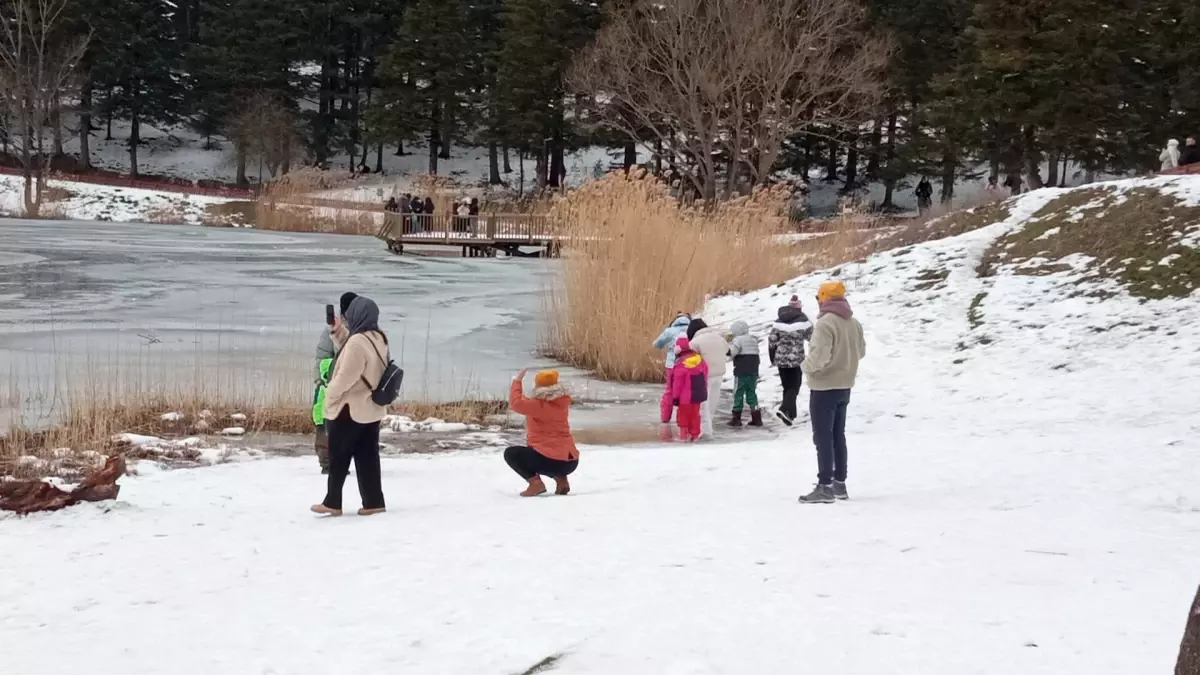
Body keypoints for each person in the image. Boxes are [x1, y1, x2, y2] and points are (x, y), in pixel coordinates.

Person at [311, 296, 390, 517]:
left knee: (339, 456)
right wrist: (337, 331)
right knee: (368, 458)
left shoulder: (357, 342)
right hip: (370, 409)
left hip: (349, 409)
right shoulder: (379, 337)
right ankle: (374, 502)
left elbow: (347, 375)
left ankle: (332, 502)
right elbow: (355, 347)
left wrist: (329, 394)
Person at [798, 281, 866, 505]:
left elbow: (819, 356)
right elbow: (861, 352)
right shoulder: (853, 323)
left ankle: (824, 486)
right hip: (845, 385)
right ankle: (839, 484)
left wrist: (805, 367)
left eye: (819, 298)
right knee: (838, 435)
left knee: (823, 437)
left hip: (824, 386)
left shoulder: (825, 323)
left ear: (824, 298)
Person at [504, 369, 579, 496]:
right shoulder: (561, 403)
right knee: (549, 453)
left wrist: (517, 381)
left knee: (512, 454)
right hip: (571, 462)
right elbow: (530, 404)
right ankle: (562, 481)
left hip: (552, 461)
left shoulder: (539, 405)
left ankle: (536, 484)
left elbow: (516, 404)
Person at [312, 293, 355, 474]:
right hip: (329, 383)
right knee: (324, 422)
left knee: (347, 426)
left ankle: (342, 461)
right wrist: (321, 381)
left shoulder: (362, 330)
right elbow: (322, 358)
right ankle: (327, 462)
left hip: (351, 387)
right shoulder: (332, 331)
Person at [768, 295, 813, 427]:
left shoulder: (779, 322)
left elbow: (772, 340)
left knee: (787, 386)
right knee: (794, 386)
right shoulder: (803, 322)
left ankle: (790, 415)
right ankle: (784, 408)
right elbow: (813, 338)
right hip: (796, 360)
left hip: (780, 359)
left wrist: (773, 357)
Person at [687, 318, 727, 438]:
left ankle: (706, 431)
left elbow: (690, 359)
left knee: (703, 405)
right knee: (712, 403)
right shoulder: (719, 338)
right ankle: (709, 428)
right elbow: (727, 350)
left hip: (704, 376)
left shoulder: (695, 342)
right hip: (719, 373)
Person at [653, 313, 693, 437]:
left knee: (670, 391)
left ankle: (665, 417)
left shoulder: (670, 331)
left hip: (672, 365)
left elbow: (657, 344)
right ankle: (685, 419)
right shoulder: (693, 330)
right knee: (686, 391)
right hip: (688, 364)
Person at [663, 336, 708, 442]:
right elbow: (705, 375)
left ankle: (684, 435)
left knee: (683, 416)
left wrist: (675, 397)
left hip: (684, 397)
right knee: (695, 415)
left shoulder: (680, 364)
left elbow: (677, 383)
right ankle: (695, 435)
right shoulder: (700, 360)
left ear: (678, 349)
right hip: (698, 395)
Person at [727, 320, 762, 427]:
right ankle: (756, 417)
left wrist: (727, 352)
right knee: (751, 392)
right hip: (753, 370)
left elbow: (733, 352)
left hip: (741, 370)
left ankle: (736, 418)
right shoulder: (753, 339)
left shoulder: (738, 340)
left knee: (738, 392)